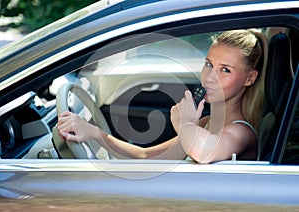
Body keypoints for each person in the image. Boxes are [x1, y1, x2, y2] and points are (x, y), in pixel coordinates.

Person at [57, 29, 267, 163]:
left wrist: (185, 124)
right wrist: (94, 133)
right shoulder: (206, 123)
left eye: (226, 70)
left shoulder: (241, 133)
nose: (210, 77)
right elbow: (145, 155)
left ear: (250, 78)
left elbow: (204, 152)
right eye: (209, 64)